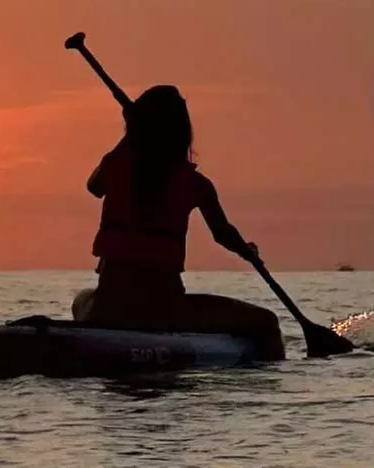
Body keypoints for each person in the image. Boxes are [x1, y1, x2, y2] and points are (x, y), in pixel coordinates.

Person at [71, 85, 285, 359]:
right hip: (164, 311)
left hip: (109, 306)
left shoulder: (115, 165)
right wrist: (247, 251)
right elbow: (223, 234)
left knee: (81, 299)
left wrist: (131, 136)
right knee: (267, 322)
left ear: (134, 128)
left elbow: (94, 186)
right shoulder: (196, 184)